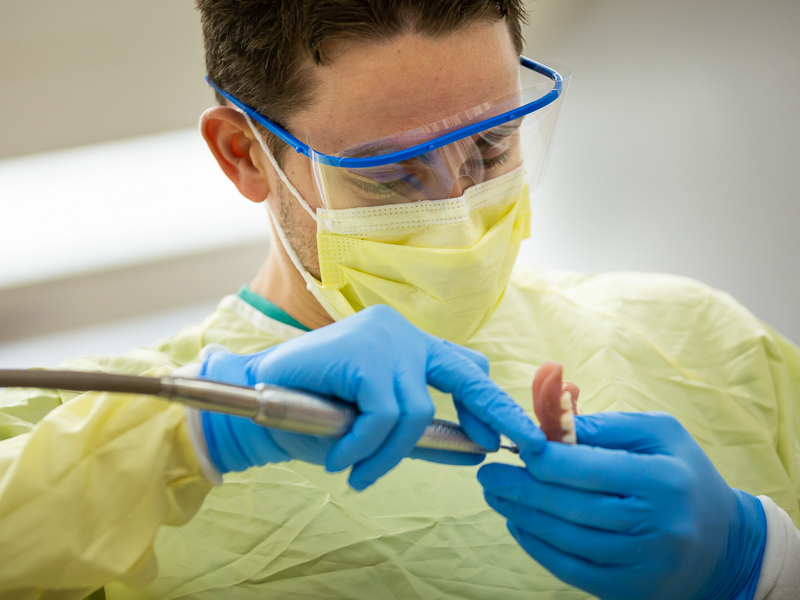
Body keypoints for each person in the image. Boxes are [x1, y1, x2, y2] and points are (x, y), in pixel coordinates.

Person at [0, 1, 798, 598]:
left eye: (492, 145)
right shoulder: (86, 422)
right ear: (244, 154)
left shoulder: (701, 341)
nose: (459, 203)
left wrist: (761, 560)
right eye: (391, 173)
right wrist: (193, 434)